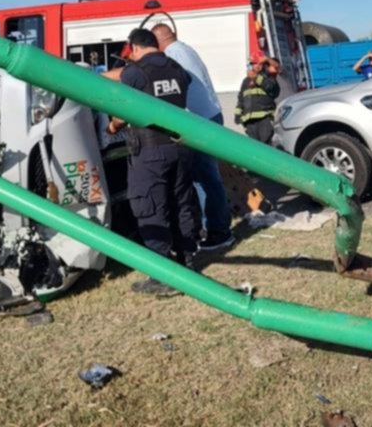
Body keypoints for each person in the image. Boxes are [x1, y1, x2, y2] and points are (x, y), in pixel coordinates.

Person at [116, 28, 200, 296]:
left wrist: (112, 126)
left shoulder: (134, 73)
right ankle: (187, 263)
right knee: (181, 203)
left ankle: (163, 275)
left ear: (134, 48)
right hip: (180, 146)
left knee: (149, 206)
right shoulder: (177, 68)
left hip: (149, 150)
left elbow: (121, 109)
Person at [152, 23, 235, 251]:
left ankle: (219, 232)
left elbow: (175, 87)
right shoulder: (185, 49)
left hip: (199, 121)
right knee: (204, 176)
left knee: (206, 178)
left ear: (159, 40)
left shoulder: (173, 54)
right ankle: (212, 227)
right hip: (209, 115)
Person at [235, 56, 281, 144]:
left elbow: (270, 87)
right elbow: (241, 98)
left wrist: (256, 78)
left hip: (264, 119)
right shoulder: (246, 81)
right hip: (249, 122)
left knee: (265, 146)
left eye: (256, 63)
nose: (254, 66)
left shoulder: (269, 78)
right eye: (252, 64)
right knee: (254, 148)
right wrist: (238, 115)